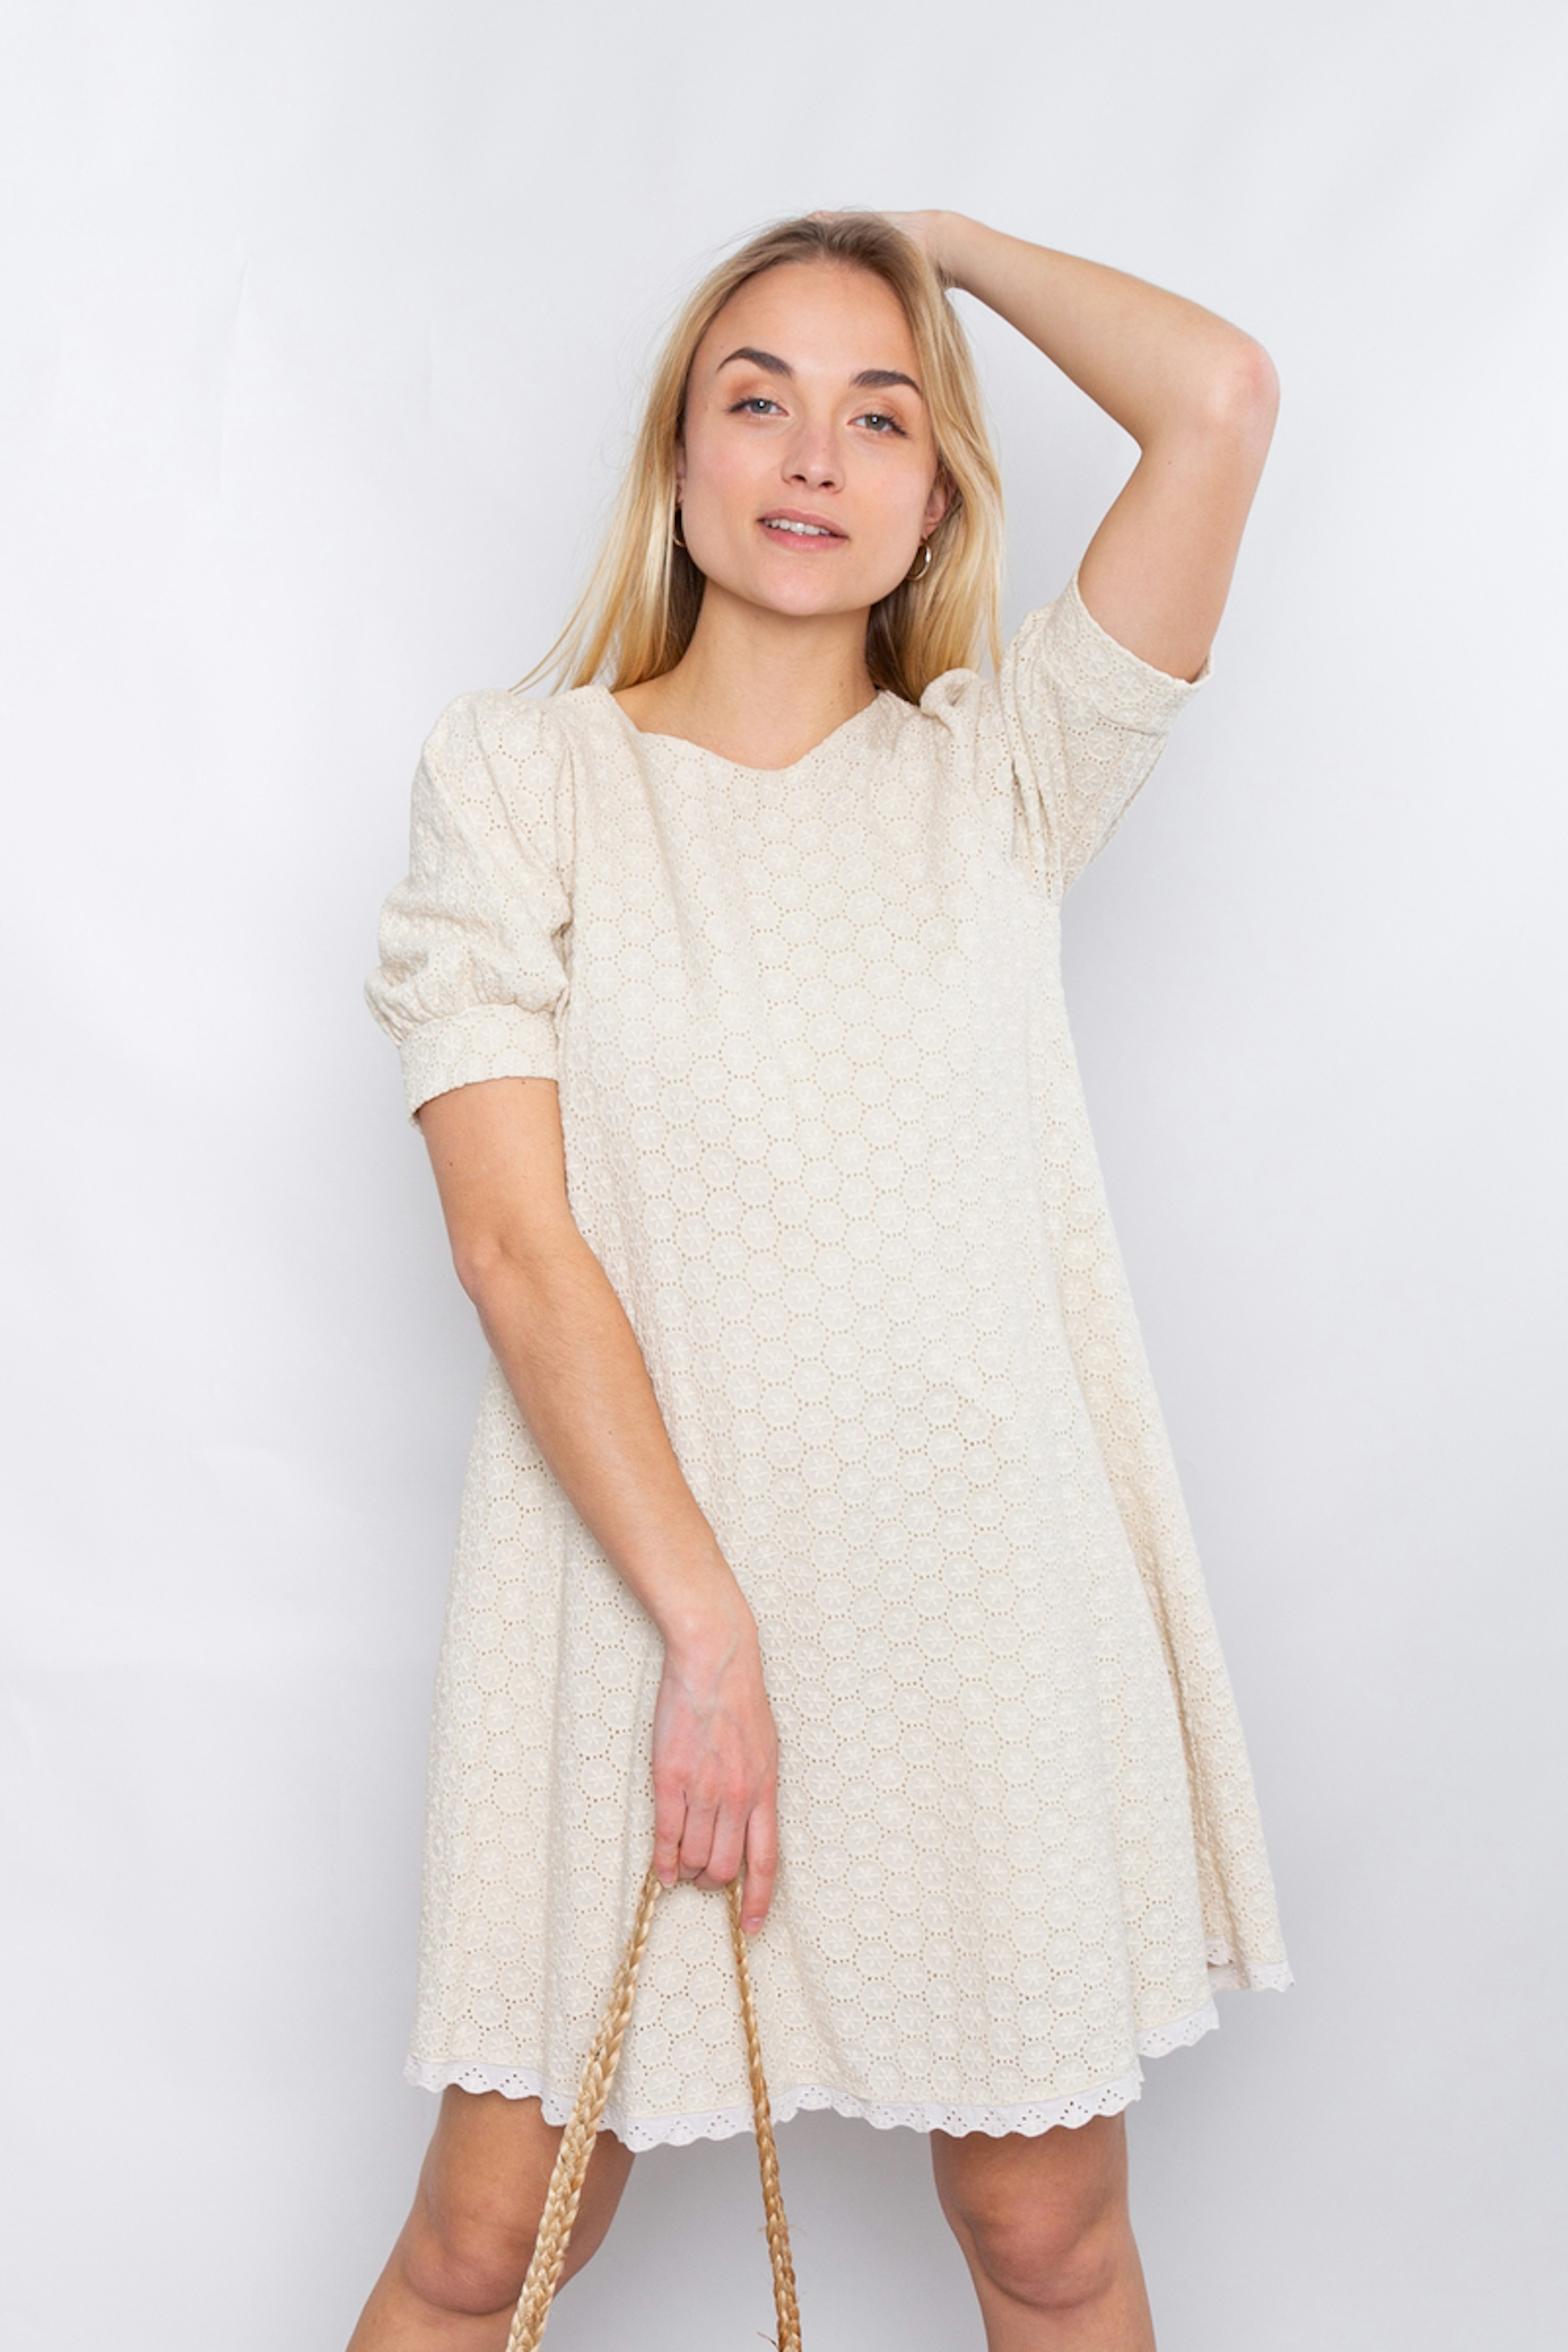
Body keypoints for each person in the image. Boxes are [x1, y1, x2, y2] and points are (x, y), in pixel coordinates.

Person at [355, 209, 1290, 2352]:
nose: (811, 453)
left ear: (937, 491)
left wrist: (930, 247)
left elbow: (1222, 399)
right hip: (632, 1608)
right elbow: (512, 1245)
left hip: (972, 1623)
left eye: (881, 416)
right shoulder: (523, 780)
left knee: (1047, 2242)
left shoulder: (1004, 774)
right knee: (490, 2248)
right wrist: (706, 1628)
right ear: (678, 456)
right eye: (756, 397)